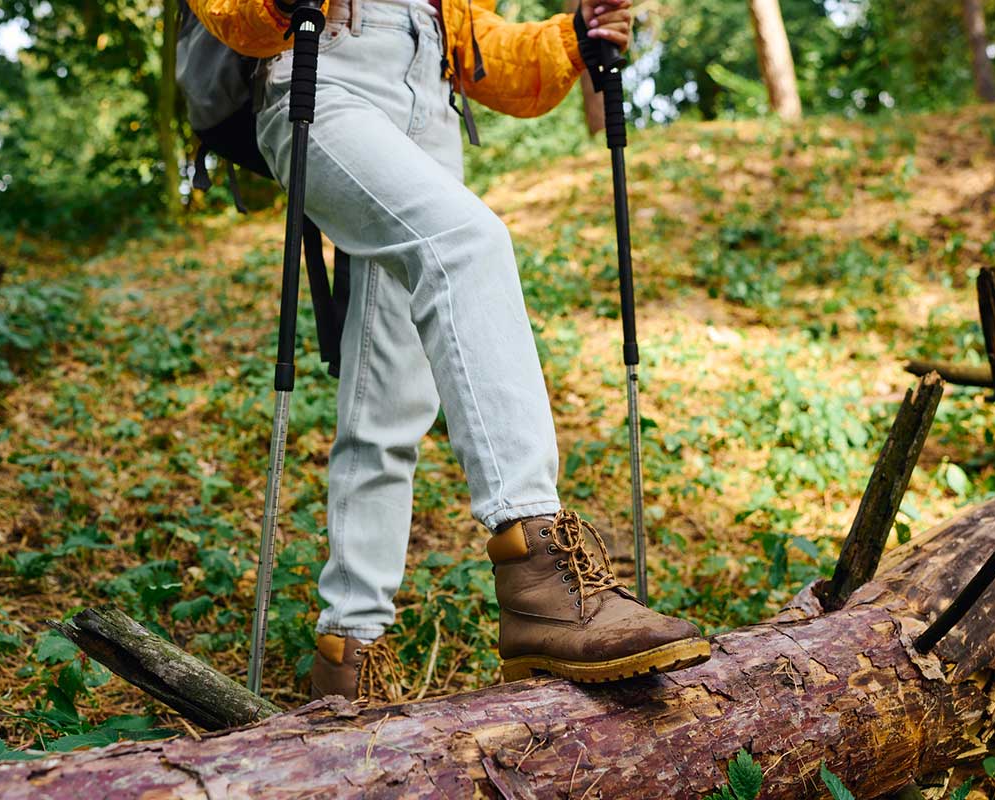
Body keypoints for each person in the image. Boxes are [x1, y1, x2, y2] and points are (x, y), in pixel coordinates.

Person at [190, 0, 711, 704]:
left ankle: (347, 656)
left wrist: (572, 36)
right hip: (323, 77)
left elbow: (479, 47)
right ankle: (539, 572)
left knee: (390, 395)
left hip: (430, 103)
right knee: (466, 242)